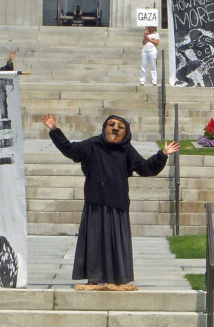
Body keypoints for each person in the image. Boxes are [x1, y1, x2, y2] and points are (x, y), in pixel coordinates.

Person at [42, 113, 179, 290]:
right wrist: (54, 130)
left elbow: (146, 168)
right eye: (111, 125)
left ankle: (118, 277)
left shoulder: (127, 150)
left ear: (126, 133)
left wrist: (162, 155)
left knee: (117, 242)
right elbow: (70, 150)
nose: (115, 128)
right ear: (104, 127)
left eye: (120, 127)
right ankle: (94, 277)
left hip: (117, 203)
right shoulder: (92, 145)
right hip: (95, 201)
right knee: (93, 241)